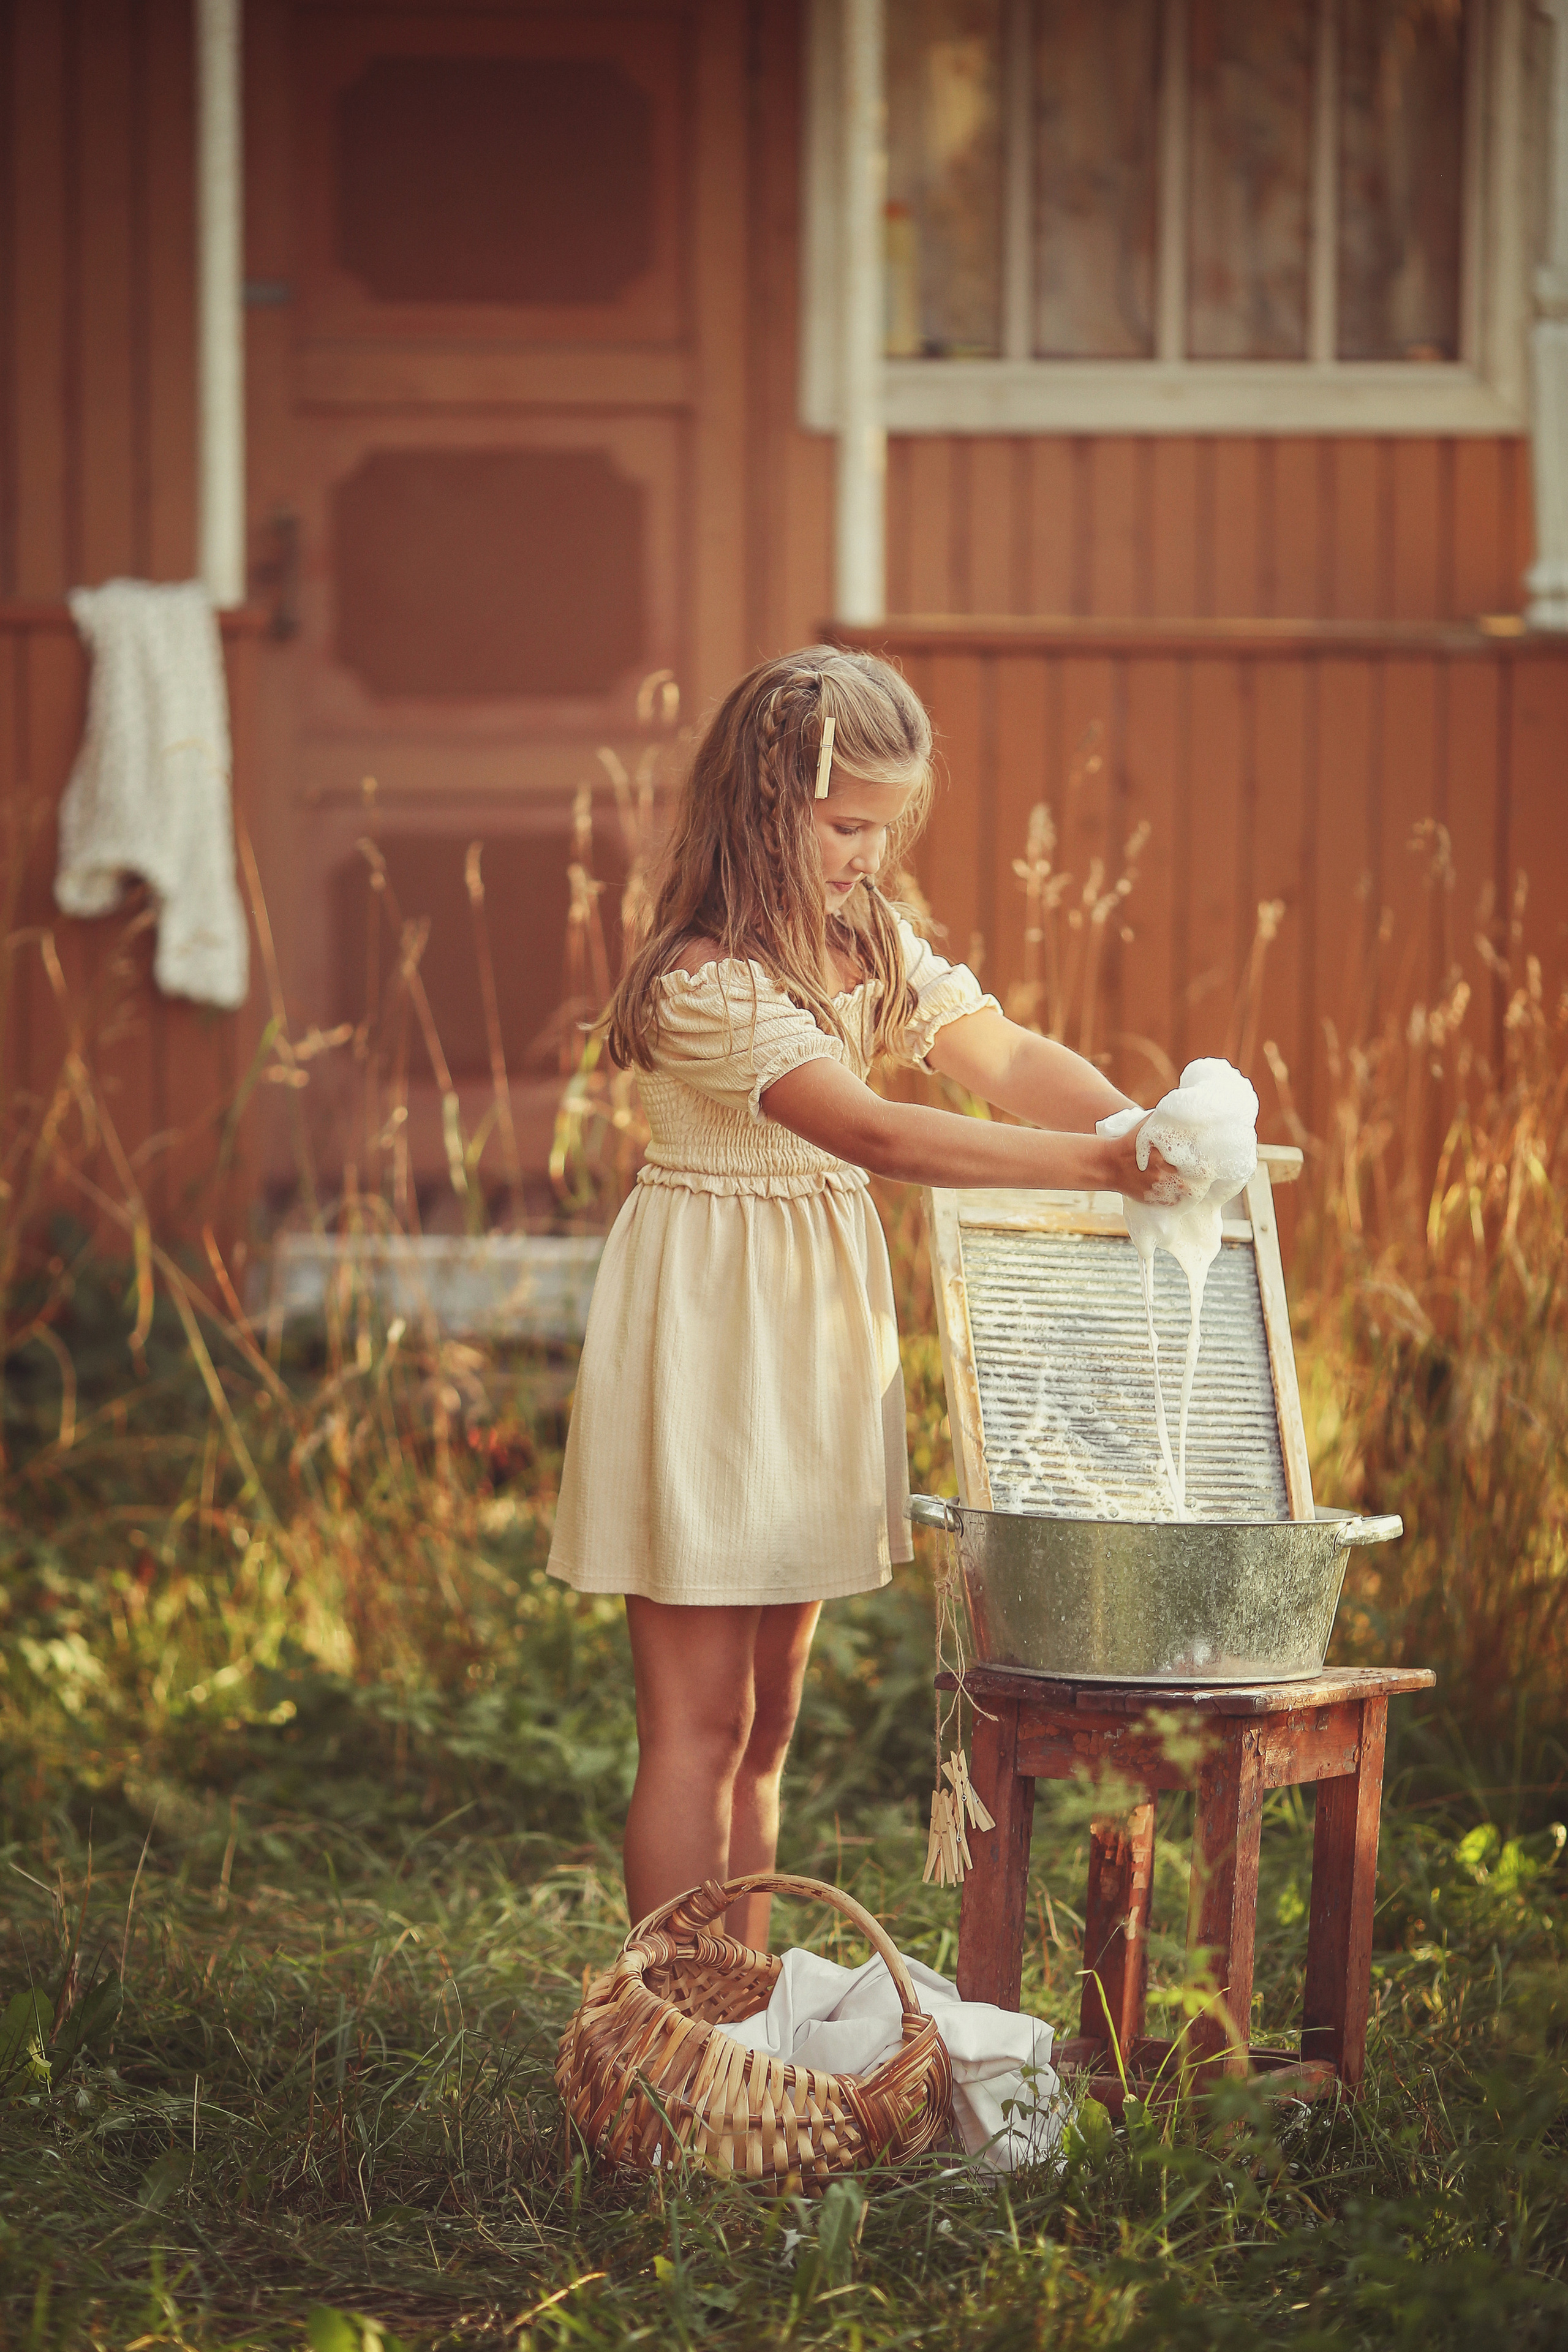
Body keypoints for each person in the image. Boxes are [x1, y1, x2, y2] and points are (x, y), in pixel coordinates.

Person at [547, 646, 1173, 1953]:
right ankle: (673, 2027)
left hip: (816, 1348)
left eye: (883, 831)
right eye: (844, 828)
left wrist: (1135, 1120)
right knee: (698, 1725)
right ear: (762, 804)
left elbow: (989, 1048)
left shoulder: (863, 943)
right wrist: (1093, 1168)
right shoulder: (704, 983)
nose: (865, 858)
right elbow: (874, 1132)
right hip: (709, 1345)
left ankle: (742, 1989)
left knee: (768, 1731)